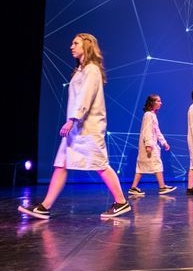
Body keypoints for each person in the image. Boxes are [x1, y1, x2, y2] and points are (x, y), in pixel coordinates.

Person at [18, 33, 130, 220]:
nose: (71, 46)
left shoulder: (92, 70)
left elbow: (86, 97)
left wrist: (73, 120)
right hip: (77, 128)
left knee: (100, 165)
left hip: (88, 127)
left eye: (75, 43)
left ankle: (121, 202)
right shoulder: (80, 70)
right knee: (61, 164)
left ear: (86, 45)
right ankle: (45, 207)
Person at [128, 94, 176, 196]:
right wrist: (148, 145)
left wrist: (164, 142)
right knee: (156, 164)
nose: (160, 103)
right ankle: (162, 187)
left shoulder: (152, 115)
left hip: (151, 144)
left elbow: (157, 131)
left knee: (142, 166)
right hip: (149, 145)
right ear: (152, 103)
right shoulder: (148, 115)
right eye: (158, 101)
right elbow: (147, 131)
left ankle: (133, 188)